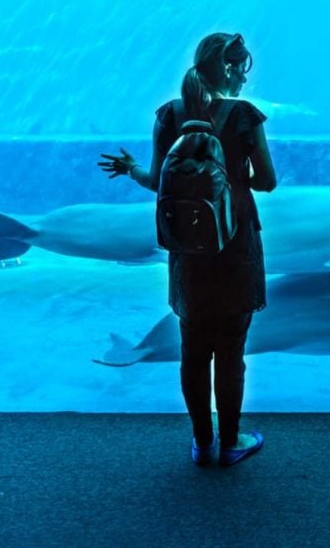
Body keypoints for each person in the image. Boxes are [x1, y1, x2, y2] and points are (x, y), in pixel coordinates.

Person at [99, 32, 277, 467]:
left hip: (188, 247)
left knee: (193, 347)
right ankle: (231, 441)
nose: (245, 80)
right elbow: (268, 180)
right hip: (235, 242)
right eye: (243, 70)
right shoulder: (243, 116)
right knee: (230, 349)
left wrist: (131, 170)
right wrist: (233, 178)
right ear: (231, 69)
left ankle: (201, 443)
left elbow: (158, 179)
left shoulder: (170, 114)